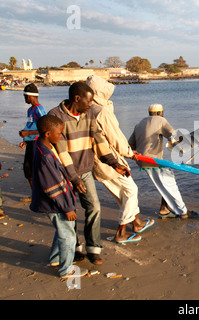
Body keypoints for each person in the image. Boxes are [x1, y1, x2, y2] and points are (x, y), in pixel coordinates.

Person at [48, 81, 130, 265]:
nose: (91, 104)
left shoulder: (90, 114)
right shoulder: (56, 116)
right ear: (77, 99)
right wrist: (74, 178)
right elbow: (61, 152)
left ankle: (93, 249)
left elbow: (99, 140)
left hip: (85, 171)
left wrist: (114, 163)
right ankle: (75, 249)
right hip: (63, 174)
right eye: (89, 100)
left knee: (94, 208)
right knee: (70, 213)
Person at [86, 75, 153, 244]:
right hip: (109, 160)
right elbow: (115, 137)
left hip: (96, 160)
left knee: (122, 192)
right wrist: (129, 153)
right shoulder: (101, 111)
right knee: (131, 191)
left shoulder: (88, 108)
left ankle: (136, 222)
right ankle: (121, 232)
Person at [30, 115, 88, 279]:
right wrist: (68, 207)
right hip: (55, 204)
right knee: (68, 235)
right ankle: (66, 269)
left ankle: (55, 258)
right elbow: (52, 187)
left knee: (62, 230)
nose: (61, 136)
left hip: (54, 202)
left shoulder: (41, 146)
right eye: (59, 133)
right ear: (48, 133)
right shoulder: (46, 156)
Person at [129, 103, 199, 219]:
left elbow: (130, 145)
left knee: (165, 181)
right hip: (153, 160)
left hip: (141, 160)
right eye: (162, 112)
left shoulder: (139, 123)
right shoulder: (161, 120)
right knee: (170, 183)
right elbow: (173, 135)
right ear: (159, 113)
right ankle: (183, 212)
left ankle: (164, 209)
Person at [19, 83, 47, 202]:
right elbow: (31, 126)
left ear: (30, 96)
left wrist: (28, 134)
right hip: (30, 143)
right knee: (28, 170)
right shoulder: (30, 110)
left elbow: (46, 128)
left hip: (37, 143)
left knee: (32, 170)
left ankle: (39, 195)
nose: (25, 99)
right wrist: (25, 140)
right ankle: (36, 194)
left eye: (25, 96)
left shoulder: (39, 109)